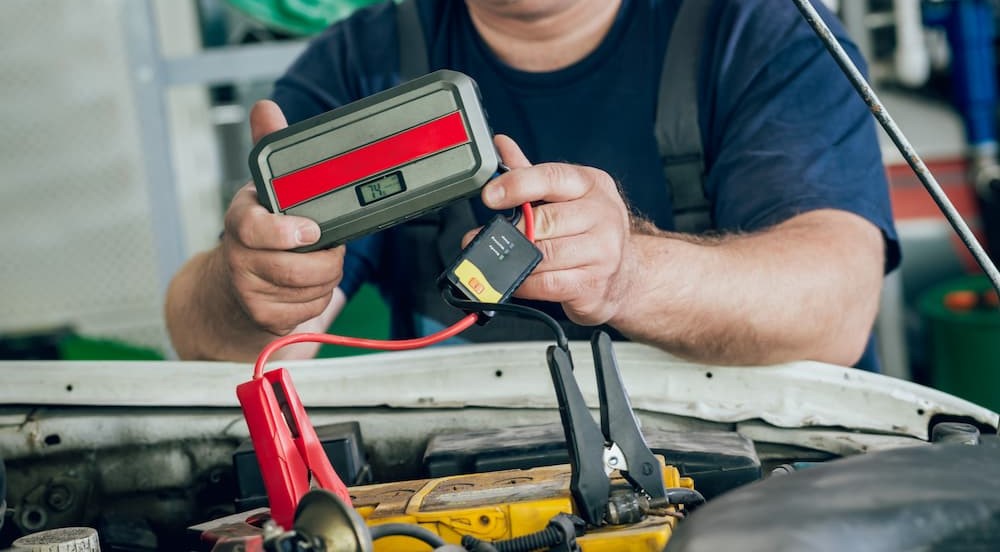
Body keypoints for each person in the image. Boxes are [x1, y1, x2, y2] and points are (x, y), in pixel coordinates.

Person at [165, 0, 900, 371]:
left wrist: (631, 274)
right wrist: (252, 289)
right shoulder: (364, 64)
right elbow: (214, 341)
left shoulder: (761, 33)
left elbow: (834, 304)